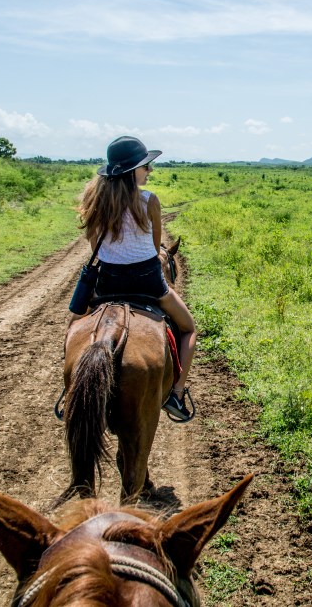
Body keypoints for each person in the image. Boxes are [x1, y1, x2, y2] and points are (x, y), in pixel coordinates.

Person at [75, 136, 196, 422]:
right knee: (189, 328)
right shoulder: (149, 200)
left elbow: (95, 247)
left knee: (74, 328)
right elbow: (155, 249)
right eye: (145, 166)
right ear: (132, 171)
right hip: (148, 281)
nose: (149, 171)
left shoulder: (95, 198)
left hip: (107, 283)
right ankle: (177, 394)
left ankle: (71, 393)